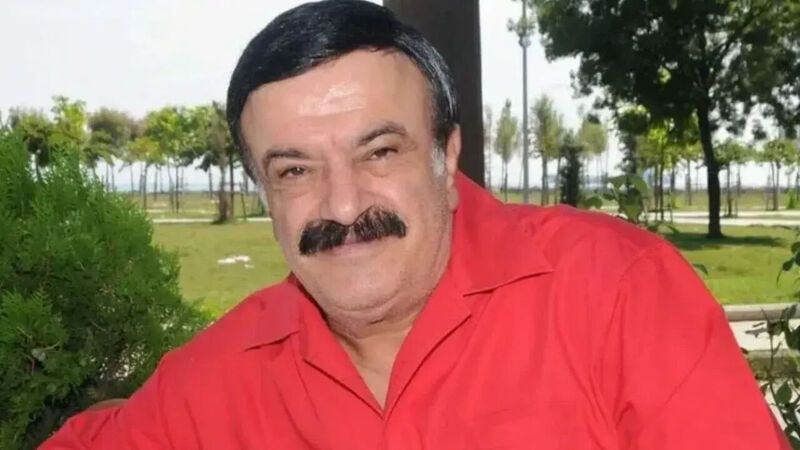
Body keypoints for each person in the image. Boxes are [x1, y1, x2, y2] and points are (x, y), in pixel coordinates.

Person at [42, 1, 789, 448]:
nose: (341, 207)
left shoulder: (614, 294)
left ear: (447, 154)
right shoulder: (219, 378)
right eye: (295, 170)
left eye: (379, 152)